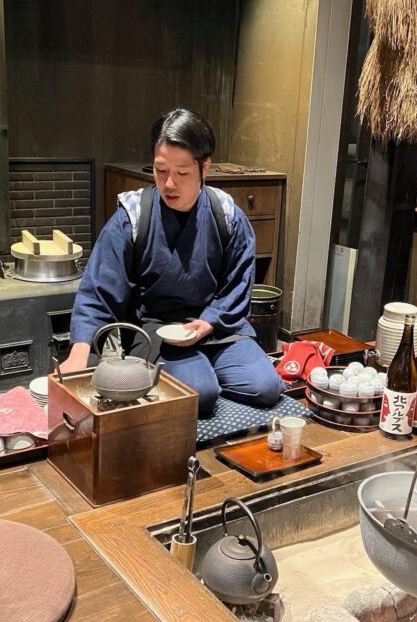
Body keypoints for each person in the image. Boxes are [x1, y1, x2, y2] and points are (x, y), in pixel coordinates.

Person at [60, 108, 282, 416]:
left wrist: (208, 322)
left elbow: (239, 283)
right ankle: (199, 376)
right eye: (160, 171)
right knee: (200, 395)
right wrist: (79, 351)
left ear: (205, 167)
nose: (169, 184)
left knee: (266, 387)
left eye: (182, 173)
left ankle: (206, 369)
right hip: (157, 330)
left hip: (216, 325)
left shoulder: (227, 216)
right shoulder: (133, 218)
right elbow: (98, 290)